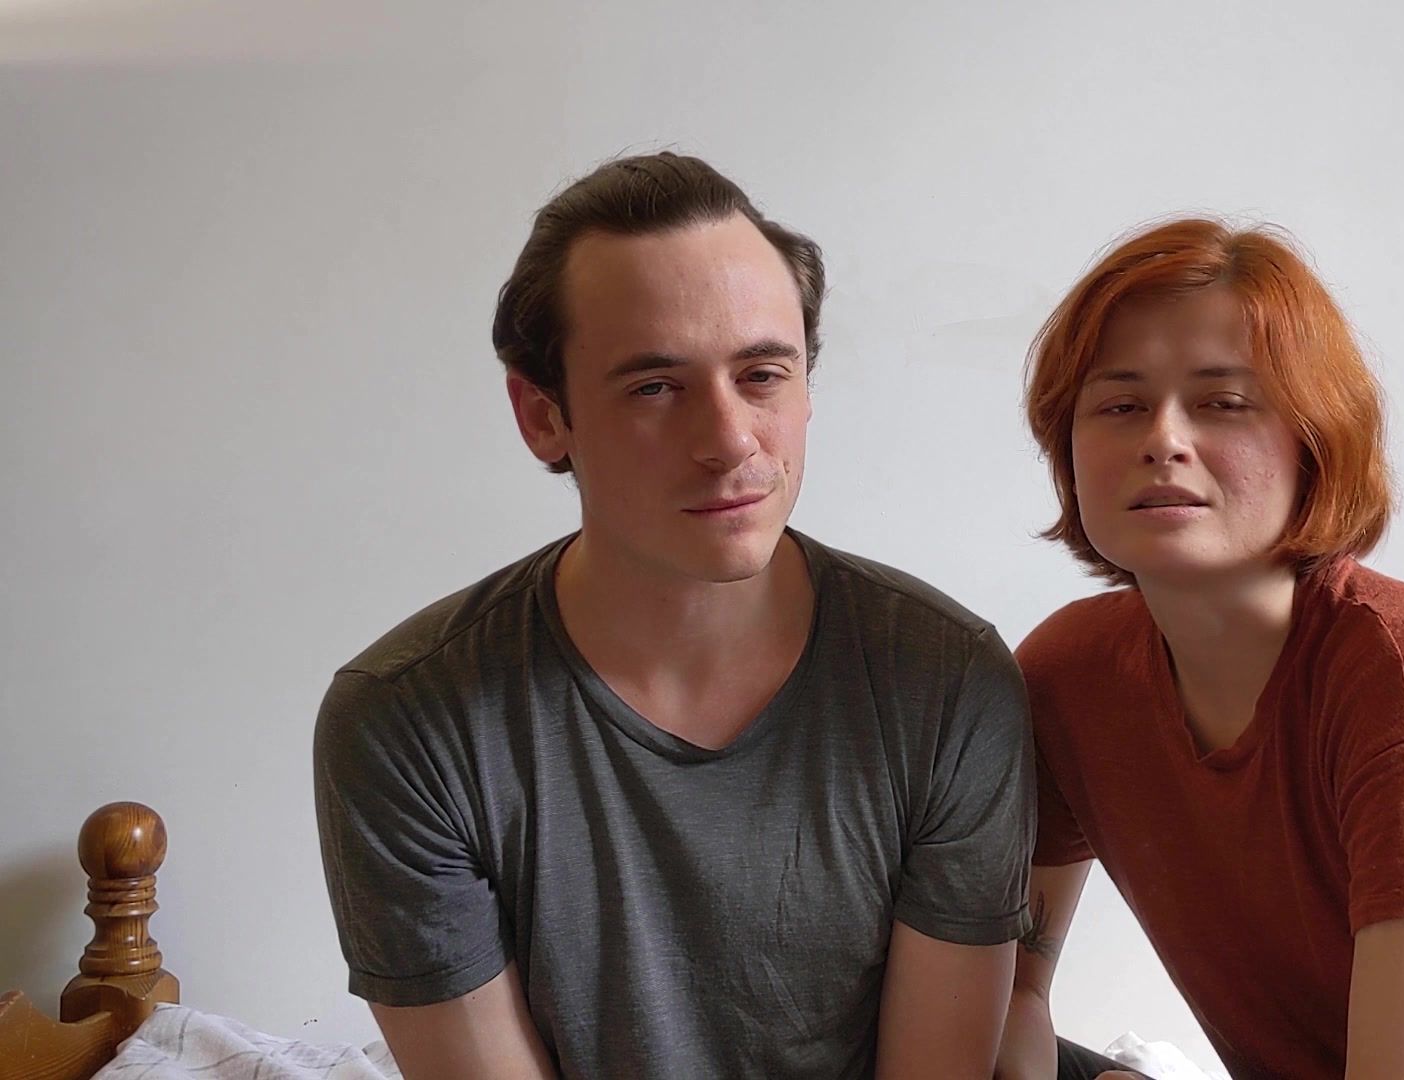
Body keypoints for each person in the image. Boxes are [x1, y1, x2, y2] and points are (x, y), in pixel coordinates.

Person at [313, 152, 1034, 1079]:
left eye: (762, 375)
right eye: (655, 387)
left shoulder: (947, 682)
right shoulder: (408, 721)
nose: (730, 441)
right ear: (542, 416)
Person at [993, 218, 1404, 1079]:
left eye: (1223, 403)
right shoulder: (1070, 674)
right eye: (1120, 406)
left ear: (1314, 442)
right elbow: (1010, 991)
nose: (1163, 438)